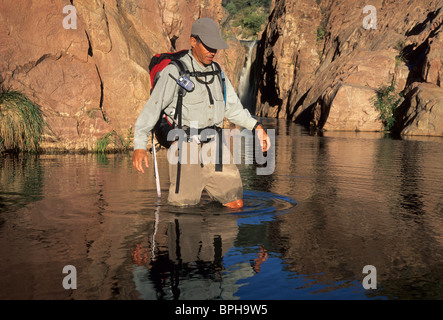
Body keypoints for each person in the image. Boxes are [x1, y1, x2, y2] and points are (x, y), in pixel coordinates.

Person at [132, 17, 270, 209]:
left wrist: (256, 127)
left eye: (215, 47)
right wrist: (139, 145)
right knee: (184, 211)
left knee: (236, 203)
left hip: (214, 145)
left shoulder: (218, 72)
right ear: (193, 41)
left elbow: (232, 108)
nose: (212, 51)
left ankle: (212, 231)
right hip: (185, 147)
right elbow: (152, 109)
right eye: (208, 45)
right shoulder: (174, 72)